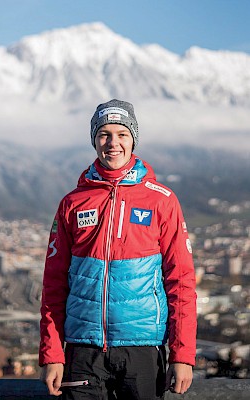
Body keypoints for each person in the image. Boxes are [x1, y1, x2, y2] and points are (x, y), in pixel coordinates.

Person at [39, 99, 197, 399]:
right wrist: (52, 354)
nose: (113, 143)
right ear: (94, 140)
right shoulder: (73, 202)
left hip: (143, 350)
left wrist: (183, 355)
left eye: (122, 134)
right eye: (104, 134)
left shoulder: (161, 200)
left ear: (133, 139)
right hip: (82, 351)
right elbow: (54, 284)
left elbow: (181, 283)